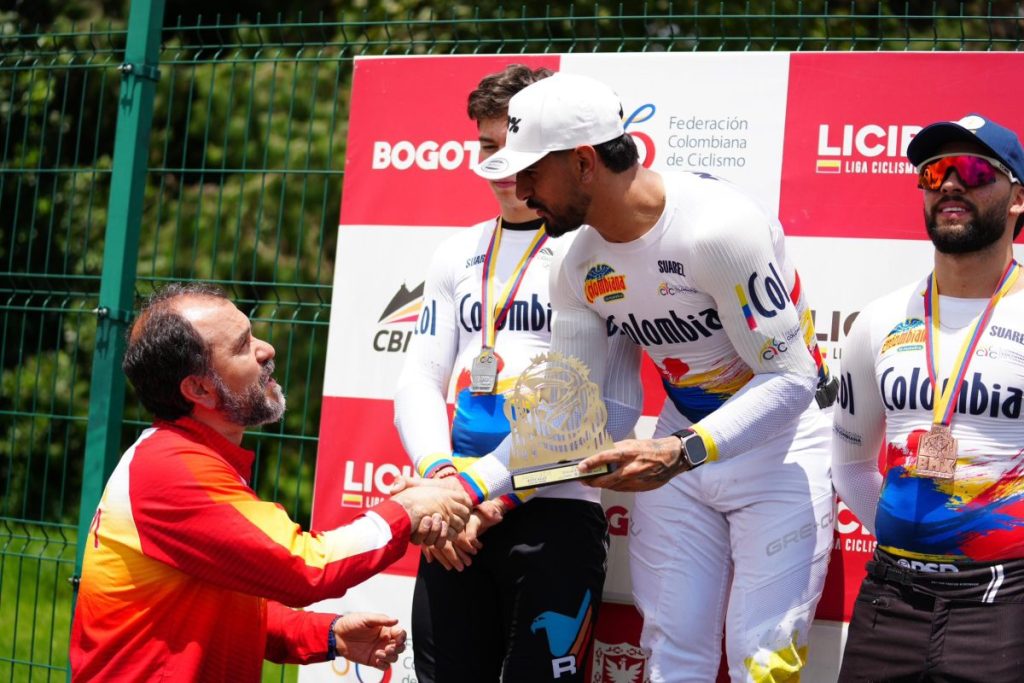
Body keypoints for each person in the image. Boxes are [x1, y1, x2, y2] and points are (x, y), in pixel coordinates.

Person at [474, 72, 838, 683]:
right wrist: (472, 487)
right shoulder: (573, 262)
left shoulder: (717, 227)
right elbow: (578, 415)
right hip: (680, 443)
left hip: (780, 444)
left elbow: (793, 377)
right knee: (672, 660)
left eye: (531, 171)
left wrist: (682, 450)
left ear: (584, 162)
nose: (520, 189)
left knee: (765, 663)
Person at [69, 283, 472, 682]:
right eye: (242, 346)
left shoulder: (183, 457)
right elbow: (307, 565)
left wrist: (327, 634)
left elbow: (223, 606)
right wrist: (406, 510)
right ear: (199, 389)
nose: (267, 349)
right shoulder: (171, 470)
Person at [393, 64, 642, 682]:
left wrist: (493, 497)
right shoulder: (456, 252)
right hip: (456, 517)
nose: (501, 165)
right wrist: (444, 482)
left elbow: (611, 410)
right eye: (487, 147)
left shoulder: (596, 254)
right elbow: (419, 378)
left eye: (515, 148)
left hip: (554, 511)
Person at [833, 114, 1024, 681]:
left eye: (973, 171)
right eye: (934, 172)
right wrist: (913, 540)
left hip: (1005, 605)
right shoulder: (878, 319)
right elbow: (850, 466)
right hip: (890, 600)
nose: (950, 184)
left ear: (1017, 199)